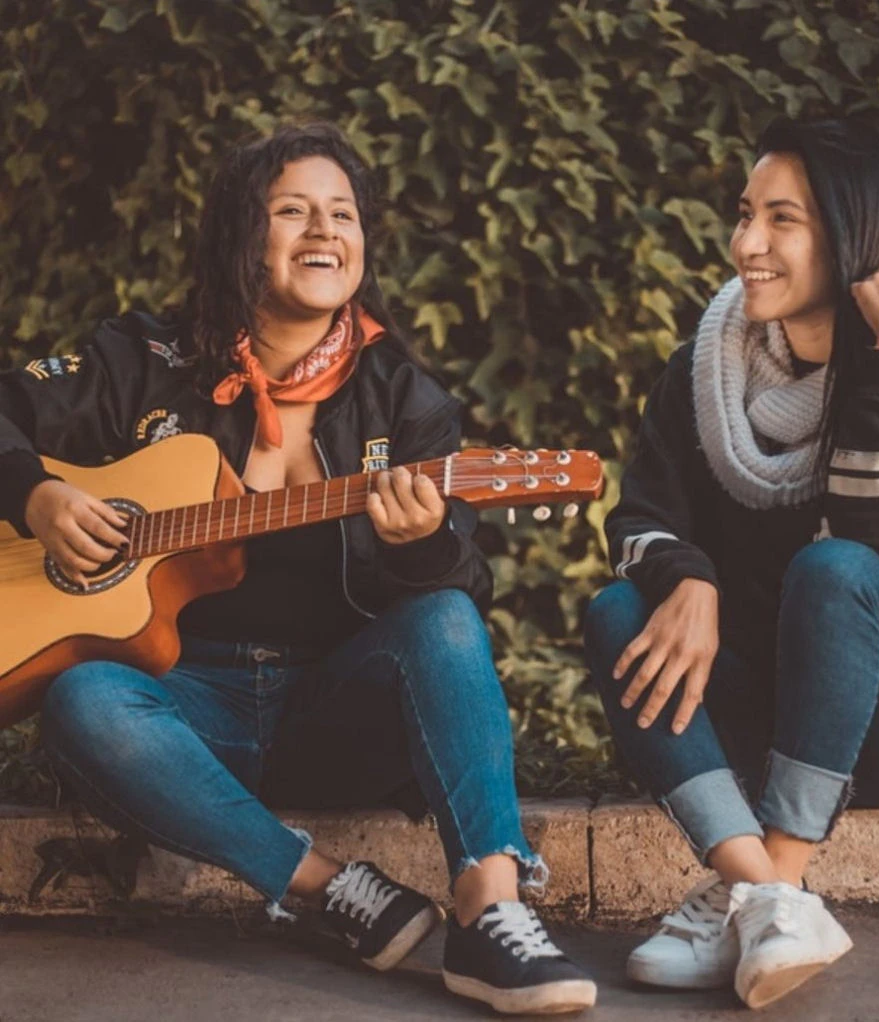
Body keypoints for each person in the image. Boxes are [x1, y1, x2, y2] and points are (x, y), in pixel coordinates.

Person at [0, 122, 596, 1016]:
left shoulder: (407, 400)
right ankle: (329, 890)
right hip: (181, 713)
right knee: (83, 699)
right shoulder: (140, 358)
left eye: (342, 214)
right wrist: (39, 501)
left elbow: (461, 600)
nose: (325, 232)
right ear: (243, 232)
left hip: (334, 712)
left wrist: (420, 544)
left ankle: (490, 911)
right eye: (293, 210)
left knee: (440, 618)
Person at [584, 117, 879, 1010]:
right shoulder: (702, 371)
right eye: (744, 214)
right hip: (765, 712)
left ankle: (775, 878)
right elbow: (641, 518)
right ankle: (763, 893)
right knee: (618, 608)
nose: (748, 244)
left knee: (836, 570)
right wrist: (686, 577)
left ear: (852, 234)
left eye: (783, 220)